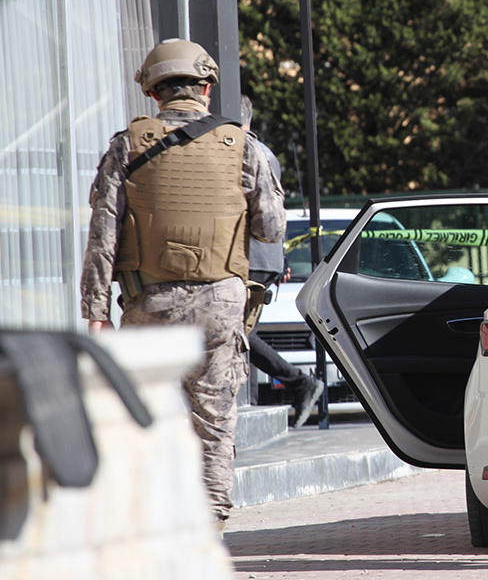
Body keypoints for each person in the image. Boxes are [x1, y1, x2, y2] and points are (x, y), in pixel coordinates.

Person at [80, 39, 286, 530]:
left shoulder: (126, 145)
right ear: (207, 88)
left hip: (147, 302)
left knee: (140, 419)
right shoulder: (244, 145)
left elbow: (102, 234)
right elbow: (271, 230)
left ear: (154, 94)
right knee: (214, 424)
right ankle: (209, 526)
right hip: (219, 303)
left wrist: (95, 312)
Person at [241, 94, 324, 429]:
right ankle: (298, 383)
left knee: (234, 333)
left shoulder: (240, 150)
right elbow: (272, 209)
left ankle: (298, 383)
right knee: (239, 333)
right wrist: (281, 257)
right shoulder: (268, 153)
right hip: (265, 256)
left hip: (249, 256)